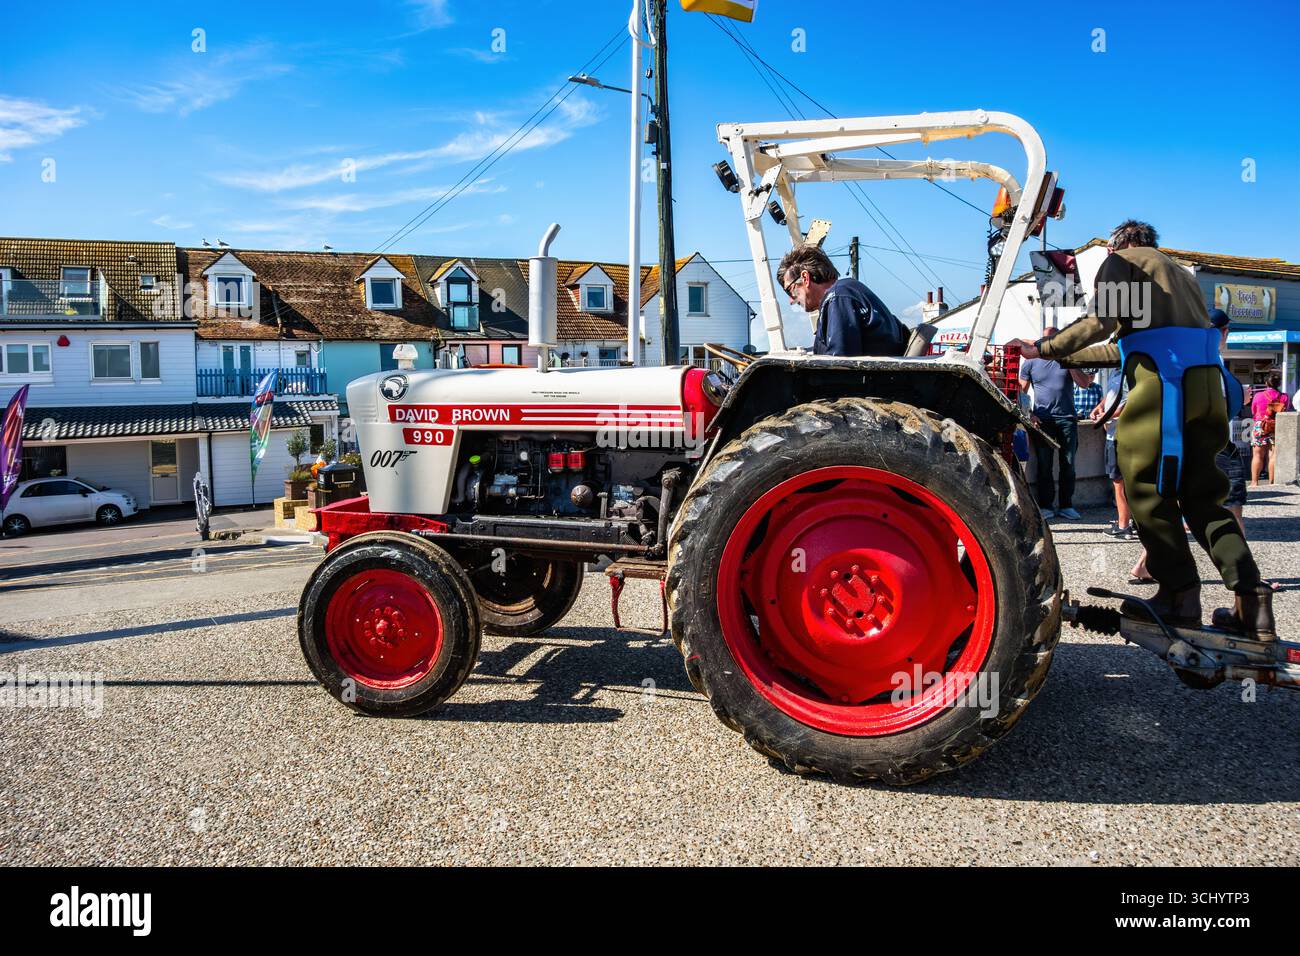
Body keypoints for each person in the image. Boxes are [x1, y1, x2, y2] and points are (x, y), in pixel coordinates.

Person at [1010, 219, 1274, 640]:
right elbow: (1124, 345)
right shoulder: (1178, 276)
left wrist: (1042, 348)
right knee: (1204, 498)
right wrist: (1069, 359)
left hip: (1166, 392)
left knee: (1145, 490)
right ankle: (1254, 604)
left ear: (1119, 245)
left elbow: (1099, 321)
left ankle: (1179, 596)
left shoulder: (1123, 263)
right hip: (1204, 389)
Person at [776, 244, 908, 357]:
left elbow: (839, 367)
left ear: (805, 278)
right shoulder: (845, 293)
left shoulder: (838, 297)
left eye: (789, 290)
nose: (790, 300)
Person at [1018, 328, 1094, 519]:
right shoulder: (1030, 362)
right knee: (1045, 465)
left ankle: (1066, 505)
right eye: (1045, 338)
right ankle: (1046, 506)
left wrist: (1069, 363)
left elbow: (1085, 383)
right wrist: (1031, 414)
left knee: (1068, 464)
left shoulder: (1069, 358)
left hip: (1067, 418)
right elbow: (1021, 393)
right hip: (1043, 420)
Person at [1090, 366, 1134, 538]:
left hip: (1121, 435)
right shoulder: (1115, 373)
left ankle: (1124, 526)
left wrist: (1104, 417)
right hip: (1112, 433)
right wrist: (1100, 406)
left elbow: (1127, 405)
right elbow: (1112, 396)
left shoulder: (1129, 373)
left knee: (1119, 481)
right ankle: (1132, 523)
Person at [1250, 369, 1290, 485]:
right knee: (1273, 454)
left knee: (1258, 454)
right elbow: (1285, 411)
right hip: (1277, 426)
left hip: (1260, 425)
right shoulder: (1284, 397)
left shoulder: (1258, 395)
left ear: (1266, 383)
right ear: (1279, 384)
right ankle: (1271, 482)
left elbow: (1253, 411)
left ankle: (1254, 483)